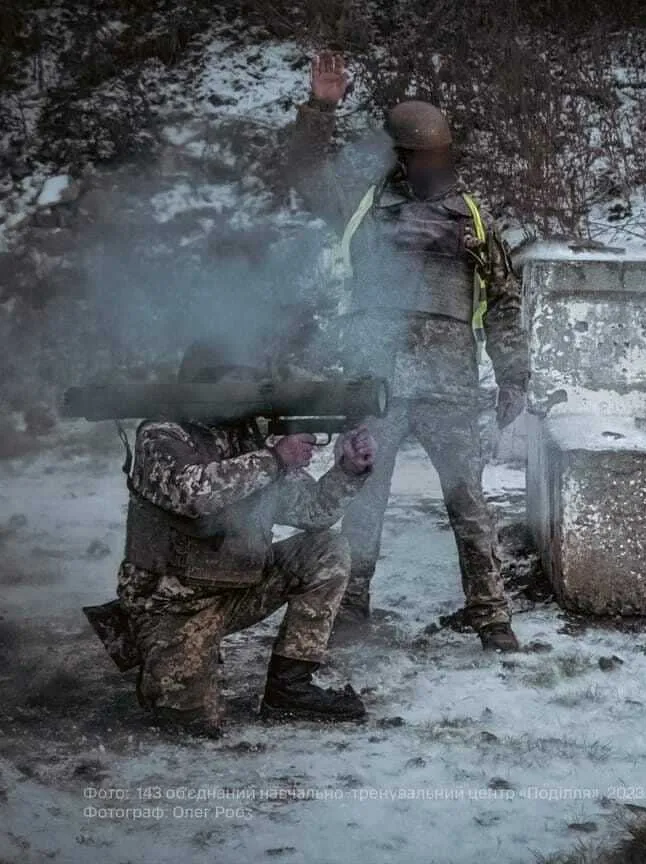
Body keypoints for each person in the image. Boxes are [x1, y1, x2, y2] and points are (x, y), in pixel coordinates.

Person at [280, 52, 528, 652]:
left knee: (467, 499)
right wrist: (320, 110)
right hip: (376, 379)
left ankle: (491, 616)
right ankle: (352, 608)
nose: (432, 166)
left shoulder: (471, 215)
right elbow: (306, 172)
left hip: (449, 382)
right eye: (420, 157)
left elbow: (504, 298)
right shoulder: (360, 204)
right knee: (363, 498)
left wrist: (515, 373)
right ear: (396, 157)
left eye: (440, 156)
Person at [110, 339, 377, 738]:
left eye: (256, 381)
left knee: (327, 550)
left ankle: (290, 689)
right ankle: (157, 651)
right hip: (174, 605)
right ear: (204, 384)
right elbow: (194, 494)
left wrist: (348, 470)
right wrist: (274, 459)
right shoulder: (161, 434)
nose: (253, 391)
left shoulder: (243, 436)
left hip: (237, 589)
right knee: (190, 726)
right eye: (241, 379)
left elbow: (313, 512)